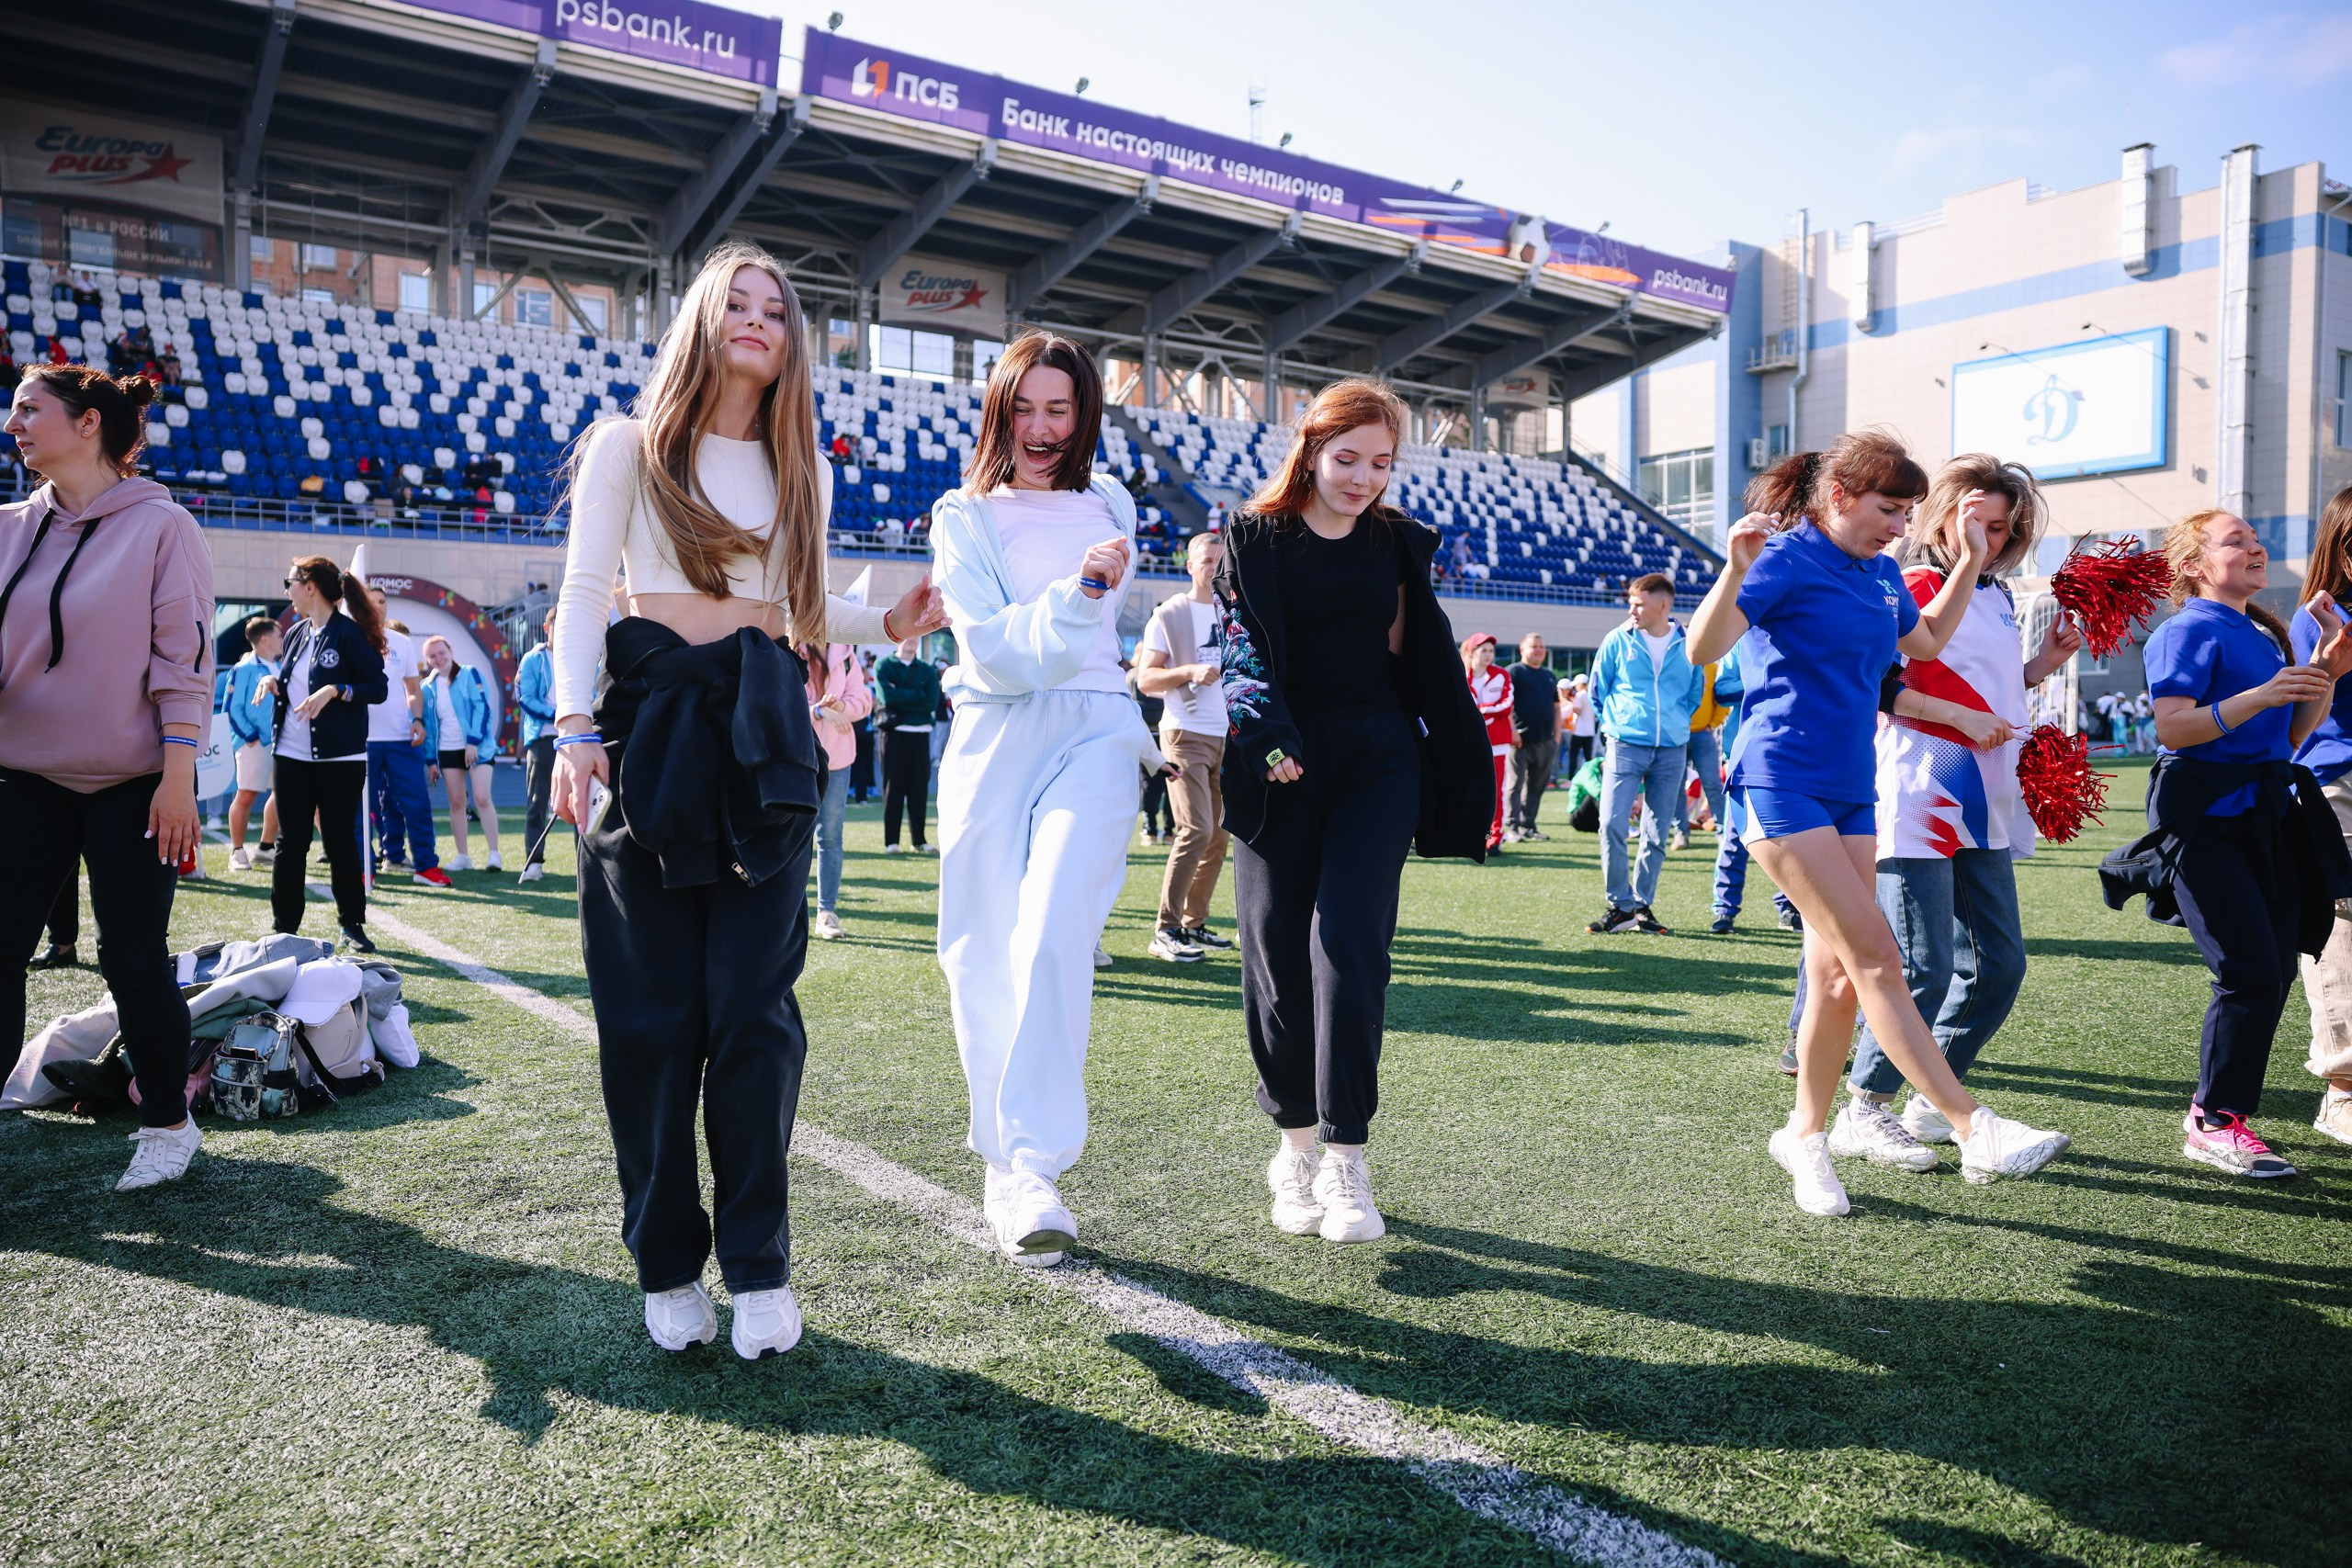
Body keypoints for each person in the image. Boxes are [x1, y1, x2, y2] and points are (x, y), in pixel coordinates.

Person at [549, 243, 944, 1358]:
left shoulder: (798, 459)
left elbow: (800, 608)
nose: (759, 318)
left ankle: (761, 1266)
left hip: (764, 735)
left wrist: (894, 622)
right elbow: (585, 592)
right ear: (701, 320)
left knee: (758, 1020)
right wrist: (572, 728)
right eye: (739, 301)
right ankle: (667, 1263)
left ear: (793, 339)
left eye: (778, 307)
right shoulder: (625, 446)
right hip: (648, 732)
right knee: (649, 1023)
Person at [1685, 431, 2071, 1215]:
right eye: (1888, 509)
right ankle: (1971, 1125)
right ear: (1838, 498)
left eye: (1905, 512)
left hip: (1851, 789)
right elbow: (1705, 647)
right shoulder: (1785, 557)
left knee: (1835, 975)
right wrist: (1734, 567)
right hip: (1777, 780)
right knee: (1879, 958)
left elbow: (1924, 640)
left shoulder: (1884, 573)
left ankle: (1805, 1133)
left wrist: (1966, 558)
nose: (1899, 524)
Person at [1216, 378, 1491, 1245]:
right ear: (1310, 448)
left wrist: (1449, 752)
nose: (1363, 477)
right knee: (1274, 955)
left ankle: (1345, 1154)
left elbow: (1418, 655)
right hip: (1279, 759)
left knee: (1349, 946)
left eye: (1381, 462)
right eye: (1348, 458)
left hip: (1378, 755)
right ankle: (1293, 1143)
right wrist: (1268, 736)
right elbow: (1241, 650)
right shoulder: (1253, 536)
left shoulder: (1398, 542)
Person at [931, 331, 1159, 1269]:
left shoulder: (1112, 502)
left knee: (1059, 930)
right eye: (1021, 406)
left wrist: (1078, 601)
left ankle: (1033, 1165)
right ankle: (1001, 1160)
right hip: (993, 726)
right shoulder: (962, 514)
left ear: (1084, 415)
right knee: (982, 945)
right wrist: (1074, 593)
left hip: (1101, 723)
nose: (1038, 427)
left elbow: (1075, 649)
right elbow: (996, 652)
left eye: (1058, 408)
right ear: (997, 409)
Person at [1827, 456, 2085, 1173]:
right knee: (1923, 965)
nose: (1991, 539)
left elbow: (1984, 683)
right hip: (1919, 785)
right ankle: (1863, 1106)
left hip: (1984, 796)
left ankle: (1928, 1096)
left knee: (2001, 964)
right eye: (1978, 522)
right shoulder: (1912, 585)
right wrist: (1961, 719)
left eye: (2003, 528)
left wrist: (2040, 667)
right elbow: (1882, 684)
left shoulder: (1997, 595)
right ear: (1941, 514)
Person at [0, 365, 214, 1190]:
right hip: (23, 777)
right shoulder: (9, 527)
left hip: (134, 783)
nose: (12, 422)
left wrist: (178, 774)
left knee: (130, 957)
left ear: (88, 422)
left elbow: (183, 660)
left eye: (29, 408)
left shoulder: (163, 526)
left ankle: (168, 1121)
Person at [2119, 508, 2352, 1179]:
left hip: (2266, 815)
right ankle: (2213, 1119)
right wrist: (2261, 693)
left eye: (2255, 539)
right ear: (2193, 565)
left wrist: (2323, 666)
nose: (2254, 548)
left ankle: (2222, 1113)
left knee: (2275, 967)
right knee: (2248, 968)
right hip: (2206, 817)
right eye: (2236, 541)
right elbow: (2173, 728)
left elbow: (2288, 739)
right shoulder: (2184, 629)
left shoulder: (2258, 631)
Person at [263, 556, 389, 952]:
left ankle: (351, 924)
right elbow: (296, 685)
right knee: (290, 842)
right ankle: (284, 928)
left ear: (310, 585)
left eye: (291, 582)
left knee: (339, 843)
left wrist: (338, 690)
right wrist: (273, 681)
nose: (287, 590)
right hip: (290, 756)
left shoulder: (349, 635)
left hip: (340, 759)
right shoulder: (298, 632)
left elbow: (378, 688)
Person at [1588, 572, 1704, 934]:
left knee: (1656, 833)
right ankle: (1618, 905)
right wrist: (1616, 726)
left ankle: (1640, 906)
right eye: (1631, 603)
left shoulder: (1689, 644)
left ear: (1663, 605)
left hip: (1672, 749)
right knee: (1610, 823)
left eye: (1639, 603)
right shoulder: (1616, 640)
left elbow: (1694, 694)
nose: (1632, 609)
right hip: (1625, 744)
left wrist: (1675, 724)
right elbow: (1598, 691)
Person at [1136, 530, 1232, 962]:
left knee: (1219, 835)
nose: (1213, 567)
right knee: (1195, 829)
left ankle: (1194, 924)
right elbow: (1146, 679)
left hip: (1228, 736)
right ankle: (1166, 928)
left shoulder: (1235, 612)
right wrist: (1189, 671)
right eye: (1205, 560)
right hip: (1184, 732)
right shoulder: (1169, 614)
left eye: (1219, 560)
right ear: (1189, 565)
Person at [2290, 485, 2352, 1148]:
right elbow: (2309, 709)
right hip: (2339, 780)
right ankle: (2341, 1090)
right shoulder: (2322, 614)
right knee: (2340, 926)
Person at [359, 585, 445, 886]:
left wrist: (418, 719)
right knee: (359, 809)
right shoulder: (349, 638)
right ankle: (363, 867)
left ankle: (426, 866)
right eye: (372, 602)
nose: (379, 607)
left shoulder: (401, 642)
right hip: (361, 740)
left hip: (401, 739)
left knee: (417, 803)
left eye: (382, 601)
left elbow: (412, 689)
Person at [808, 635, 873, 940]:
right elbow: (780, 699)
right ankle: (786, 910)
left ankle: (826, 912)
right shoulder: (789, 647)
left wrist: (840, 706)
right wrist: (818, 711)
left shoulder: (846, 654)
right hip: (798, 757)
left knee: (830, 837)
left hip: (837, 760)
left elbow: (864, 701)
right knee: (791, 837)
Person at [419, 634, 502, 871]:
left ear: (450, 650)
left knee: (482, 798)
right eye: (432, 656)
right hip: (447, 750)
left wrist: (473, 742)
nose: (439, 658)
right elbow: (429, 725)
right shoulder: (427, 687)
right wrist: (431, 760)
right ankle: (463, 856)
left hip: (477, 748)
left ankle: (494, 854)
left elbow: (482, 708)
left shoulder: (469, 673)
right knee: (456, 802)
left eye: (442, 652)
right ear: (427, 660)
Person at [223, 615, 283, 870]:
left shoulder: (281, 667)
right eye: (279, 636)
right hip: (254, 743)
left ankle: (266, 847)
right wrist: (251, 737)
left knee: (283, 796)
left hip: (282, 742)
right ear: (264, 639)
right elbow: (232, 708)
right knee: (246, 796)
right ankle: (237, 851)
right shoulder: (244, 668)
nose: (283, 640)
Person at [876, 635, 942, 852]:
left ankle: (919, 840)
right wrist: (916, 696)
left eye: (916, 635)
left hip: (920, 734)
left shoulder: (926, 670)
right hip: (894, 734)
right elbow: (887, 697)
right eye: (907, 635)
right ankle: (891, 842)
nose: (912, 639)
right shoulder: (884, 665)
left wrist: (901, 696)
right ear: (896, 639)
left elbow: (931, 701)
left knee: (919, 788)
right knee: (893, 788)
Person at [514, 606, 556, 883]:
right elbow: (526, 699)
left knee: (584, 802)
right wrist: (561, 715)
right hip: (543, 736)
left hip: (578, 737)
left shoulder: (583, 657)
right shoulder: (532, 659)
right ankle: (533, 862)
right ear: (546, 628)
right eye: (559, 626)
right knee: (537, 802)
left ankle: (586, 862)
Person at [1503, 633, 1559, 840]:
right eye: (1534, 646)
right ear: (1522, 650)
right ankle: (1512, 826)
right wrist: (1512, 730)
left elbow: (1556, 707)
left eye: (1541, 646)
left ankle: (1529, 825)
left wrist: (1557, 736)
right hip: (1520, 741)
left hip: (1545, 741)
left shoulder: (1549, 675)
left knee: (1537, 786)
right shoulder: (1514, 672)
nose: (1538, 650)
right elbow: (1506, 704)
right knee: (1515, 785)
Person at [1464, 634, 1513, 852]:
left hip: (1498, 743)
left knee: (1496, 793)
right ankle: (1470, 835)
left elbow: (1507, 705)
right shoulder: (1460, 675)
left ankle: (1492, 838)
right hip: (1468, 743)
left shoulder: (1502, 675)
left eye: (1491, 651)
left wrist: (1481, 711)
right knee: (1470, 789)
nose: (1488, 655)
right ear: (1471, 652)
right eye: (1483, 650)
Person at [1560, 671, 1596, 775]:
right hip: (1590, 730)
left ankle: (1571, 778)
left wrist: (1571, 704)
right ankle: (1590, 778)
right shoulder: (1592, 694)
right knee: (1588, 756)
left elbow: (1578, 710)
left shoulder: (1580, 695)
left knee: (1573, 755)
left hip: (1579, 731)